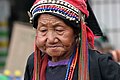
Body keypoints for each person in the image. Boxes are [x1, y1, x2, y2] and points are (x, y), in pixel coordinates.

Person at [24, 0, 120, 80]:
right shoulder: (34, 63)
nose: (51, 39)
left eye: (59, 30)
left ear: (76, 31)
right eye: (43, 30)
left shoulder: (100, 64)